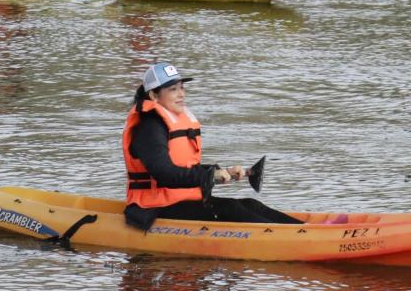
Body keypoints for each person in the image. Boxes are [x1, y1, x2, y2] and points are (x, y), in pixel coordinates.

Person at [122, 62, 301, 230]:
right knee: (232, 209)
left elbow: (184, 169)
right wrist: (210, 175)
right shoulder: (149, 128)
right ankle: (297, 239)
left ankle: (304, 229)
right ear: (153, 95)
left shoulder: (168, 122)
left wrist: (222, 171)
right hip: (153, 209)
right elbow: (164, 175)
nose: (181, 94)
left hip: (180, 202)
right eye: (173, 89)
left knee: (249, 204)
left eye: (182, 88)